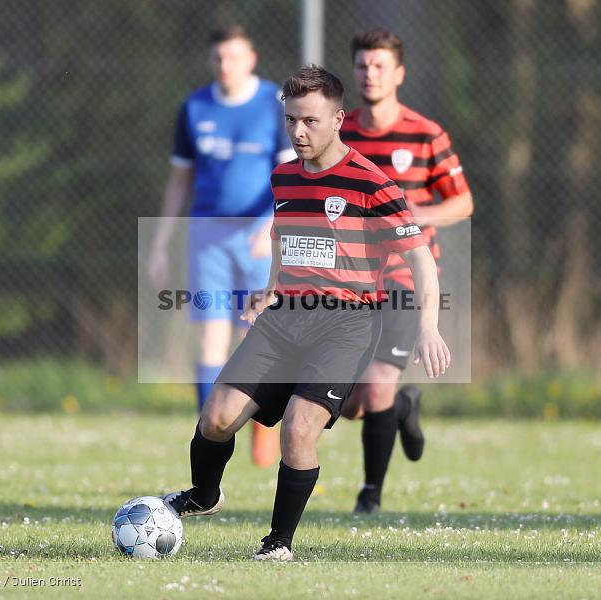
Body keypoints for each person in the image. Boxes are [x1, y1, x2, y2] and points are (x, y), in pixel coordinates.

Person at [161, 65, 451, 561]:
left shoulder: (371, 183)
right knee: (215, 419)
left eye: (311, 121)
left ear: (338, 119)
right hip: (284, 319)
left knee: (298, 428)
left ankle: (278, 544)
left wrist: (428, 326)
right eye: (291, 120)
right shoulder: (284, 176)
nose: (298, 131)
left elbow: (421, 258)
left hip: (347, 324)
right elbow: (285, 240)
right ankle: (204, 496)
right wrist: (270, 290)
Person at [339, 29, 474, 513]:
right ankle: (402, 407)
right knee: (352, 403)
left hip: (405, 276)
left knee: (376, 384)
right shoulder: (339, 132)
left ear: (398, 73)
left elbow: (463, 202)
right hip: (350, 280)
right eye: (361, 66)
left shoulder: (425, 133)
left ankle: (370, 495)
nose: (369, 74)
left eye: (378, 66)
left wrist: (415, 216)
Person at [148, 26, 294, 467]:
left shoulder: (274, 105)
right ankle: (209, 433)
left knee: (256, 334)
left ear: (251, 58)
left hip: (258, 235)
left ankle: (261, 428)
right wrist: (159, 243)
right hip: (207, 234)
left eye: (233, 57)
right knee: (211, 334)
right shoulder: (194, 107)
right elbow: (179, 182)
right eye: (218, 58)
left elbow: (288, 177)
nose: (225, 65)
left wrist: (270, 224)